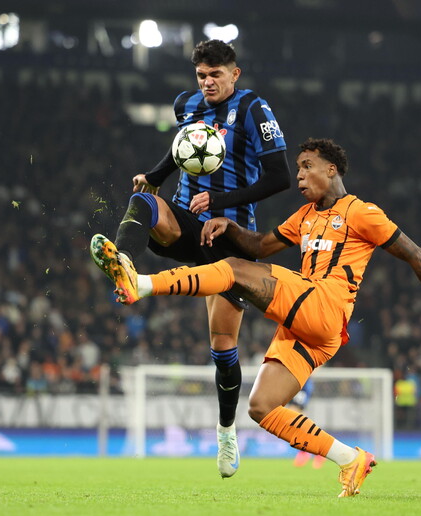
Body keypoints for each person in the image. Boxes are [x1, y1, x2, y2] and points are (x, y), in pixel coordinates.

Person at [91, 138, 421, 496]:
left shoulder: (362, 213)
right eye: (296, 169)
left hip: (326, 305)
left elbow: (416, 254)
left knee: (235, 269)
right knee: (261, 407)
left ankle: (140, 283)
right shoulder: (305, 215)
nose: (299, 176)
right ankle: (350, 459)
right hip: (312, 329)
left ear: (332, 169)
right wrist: (230, 225)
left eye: (306, 166)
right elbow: (261, 244)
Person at [101, 39, 291, 478]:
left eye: (216, 75)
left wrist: (221, 200)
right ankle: (124, 266)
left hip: (229, 237)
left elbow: (280, 176)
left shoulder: (254, 111)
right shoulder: (186, 104)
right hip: (187, 222)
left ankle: (226, 433)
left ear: (234, 74)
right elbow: (183, 146)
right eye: (202, 76)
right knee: (144, 202)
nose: (207, 83)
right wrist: (156, 176)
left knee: (223, 345)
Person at [288, 378, 326, 468]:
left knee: (294, 417)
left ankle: (312, 451)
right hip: (292, 382)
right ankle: (318, 450)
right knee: (298, 419)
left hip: (301, 382)